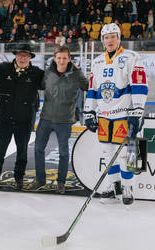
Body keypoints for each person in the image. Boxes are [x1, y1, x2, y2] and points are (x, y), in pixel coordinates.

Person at [84, 23, 148, 205]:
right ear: (102, 40)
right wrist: (89, 112)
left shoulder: (132, 57)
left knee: (128, 155)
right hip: (104, 115)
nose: (109, 40)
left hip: (124, 114)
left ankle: (128, 186)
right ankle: (114, 185)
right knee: (107, 153)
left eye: (113, 36)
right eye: (106, 37)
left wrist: (137, 110)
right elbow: (92, 89)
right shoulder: (97, 61)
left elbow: (140, 85)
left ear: (119, 38)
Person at [0, 44, 44, 190]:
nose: (22, 58)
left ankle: (19, 178)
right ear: (15, 56)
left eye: (26, 56)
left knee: (22, 152)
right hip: (5, 119)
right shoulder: (4, 68)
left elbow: (51, 81)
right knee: (0, 150)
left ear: (30, 58)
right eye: (20, 55)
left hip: (25, 120)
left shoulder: (36, 73)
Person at [33, 45, 88, 194]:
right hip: (46, 118)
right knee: (38, 149)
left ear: (69, 59)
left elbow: (89, 87)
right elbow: (40, 86)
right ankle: (40, 180)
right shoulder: (48, 73)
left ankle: (61, 182)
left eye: (64, 58)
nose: (62, 61)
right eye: (59, 58)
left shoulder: (76, 75)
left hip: (65, 120)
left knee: (64, 153)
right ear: (55, 59)